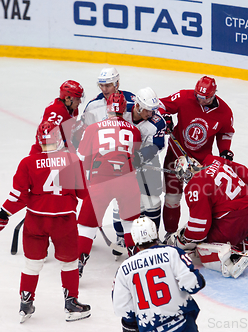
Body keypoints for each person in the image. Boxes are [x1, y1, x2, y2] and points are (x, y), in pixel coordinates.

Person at [0, 121, 91, 323]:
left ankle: (26, 302)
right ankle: (71, 303)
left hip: (36, 220)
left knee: (32, 264)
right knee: (69, 263)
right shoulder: (72, 160)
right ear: (59, 139)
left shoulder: (28, 162)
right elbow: (84, 194)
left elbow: (19, 196)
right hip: (64, 221)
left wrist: (3, 214)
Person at [167, 155, 248, 278]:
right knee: (224, 229)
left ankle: (232, 258)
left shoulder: (195, 185)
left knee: (201, 244)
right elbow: (245, 172)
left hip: (232, 223)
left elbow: (199, 229)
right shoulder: (213, 160)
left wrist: (183, 240)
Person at [159, 76, 235, 238]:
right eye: (198, 96)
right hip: (175, 155)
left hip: (203, 163)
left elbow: (225, 132)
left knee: (203, 199)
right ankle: (170, 234)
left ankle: (206, 232)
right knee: (172, 197)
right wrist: (165, 118)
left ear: (213, 95)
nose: (199, 100)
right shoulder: (184, 97)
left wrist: (224, 150)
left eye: (204, 98)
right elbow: (160, 105)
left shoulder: (225, 112)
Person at [76, 92, 142, 276]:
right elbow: (134, 157)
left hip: (100, 180)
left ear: (107, 108)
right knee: (130, 224)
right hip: (127, 181)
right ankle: (136, 263)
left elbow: (81, 158)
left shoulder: (93, 128)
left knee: (86, 226)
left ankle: (79, 262)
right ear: (124, 109)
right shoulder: (134, 130)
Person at [112, 217, 206, 332]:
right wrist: (200, 279)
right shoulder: (173, 253)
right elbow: (193, 285)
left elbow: (121, 308)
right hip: (183, 325)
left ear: (134, 239)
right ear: (155, 233)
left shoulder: (124, 268)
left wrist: (131, 324)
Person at [81, 67, 136, 253]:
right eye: (101, 85)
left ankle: (119, 235)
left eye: (108, 85)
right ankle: (128, 242)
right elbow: (85, 132)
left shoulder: (132, 100)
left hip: (114, 162)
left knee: (116, 204)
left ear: (117, 83)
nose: (104, 89)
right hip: (111, 162)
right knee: (125, 207)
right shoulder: (92, 106)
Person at [120, 87, 166, 244]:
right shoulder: (121, 110)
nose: (150, 114)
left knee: (152, 201)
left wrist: (140, 156)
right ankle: (124, 236)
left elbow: (157, 146)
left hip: (147, 161)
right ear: (137, 105)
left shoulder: (157, 122)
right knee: (125, 199)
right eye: (147, 110)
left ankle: (153, 237)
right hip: (122, 161)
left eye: (153, 110)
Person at [29, 80, 85, 155]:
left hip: (62, 151)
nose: (80, 102)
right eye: (77, 99)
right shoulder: (55, 112)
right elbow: (46, 141)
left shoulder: (72, 109)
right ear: (67, 98)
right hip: (43, 155)